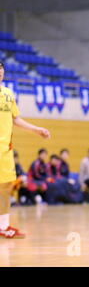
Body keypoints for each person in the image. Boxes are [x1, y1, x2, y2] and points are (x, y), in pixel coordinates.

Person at [0, 60, 50, 237]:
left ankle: (4, 227)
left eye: (1, 69)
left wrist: (36, 129)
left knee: (5, 187)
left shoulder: (7, 94)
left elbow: (15, 119)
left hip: (5, 149)